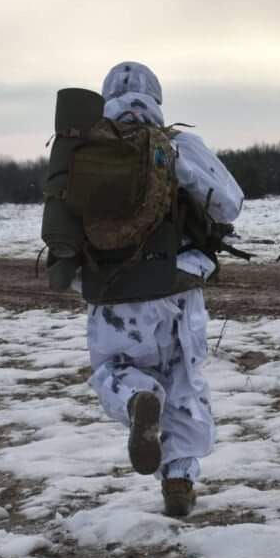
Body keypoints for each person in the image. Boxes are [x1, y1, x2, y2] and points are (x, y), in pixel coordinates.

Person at [84, 61, 244, 517]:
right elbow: (229, 204)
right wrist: (180, 169)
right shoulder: (178, 144)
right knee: (185, 384)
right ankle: (179, 480)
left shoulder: (85, 149)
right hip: (176, 287)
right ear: (158, 97)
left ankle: (136, 398)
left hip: (111, 295)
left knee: (113, 368)